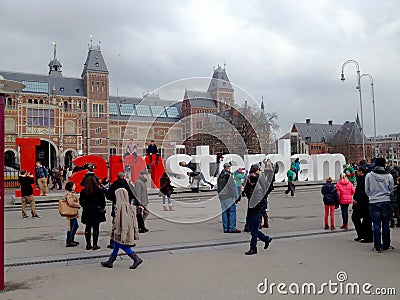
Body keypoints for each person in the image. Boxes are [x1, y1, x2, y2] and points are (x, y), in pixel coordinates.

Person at [101, 188, 143, 269]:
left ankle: (136, 258)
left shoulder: (121, 206)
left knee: (122, 244)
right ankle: (110, 261)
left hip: (121, 228)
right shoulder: (127, 204)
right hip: (123, 227)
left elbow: (121, 220)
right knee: (116, 243)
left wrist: (118, 229)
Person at [365, 157, 394, 252]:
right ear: (384, 164)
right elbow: (391, 189)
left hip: (373, 201)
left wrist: (372, 196)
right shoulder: (389, 176)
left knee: (376, 225)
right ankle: (386, 244)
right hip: (385, 201)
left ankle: (377, 245)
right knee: (386, 224)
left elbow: (367, 190)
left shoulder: (369, 175)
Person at [243, 164, 272, 255]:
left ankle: (253, 248)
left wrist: (262, 196)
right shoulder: (250, 179)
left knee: (254, 230)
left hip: (258, 206)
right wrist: (250, 184)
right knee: (252, 229)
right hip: (251, 205)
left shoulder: (260, 179)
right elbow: (246, 191)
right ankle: (266, 239)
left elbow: (269, 188)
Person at [106, 172, 139, 249]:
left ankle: (113, 242)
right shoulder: (127, 185)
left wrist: (116, 199)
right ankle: (127, 241)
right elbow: (134, 194)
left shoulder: (114, 185)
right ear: (124, 177)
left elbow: (108, 196)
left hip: (116, 206)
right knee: (127, 224)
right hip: (126, 207)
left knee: (115, 224)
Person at [79, 176, 106, 250]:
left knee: (87, 227)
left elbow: (81, 201)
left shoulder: (84, 191)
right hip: (96, 210)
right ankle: (95, 244)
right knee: (96, 228)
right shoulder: (98, 190)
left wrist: (85, 206)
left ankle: (88, 244)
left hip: (87, 210)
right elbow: (102, 201)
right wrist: (101, 207)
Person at [217, 163, 240, 233]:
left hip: (222, 196)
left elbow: (218, 188)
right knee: (232, 212)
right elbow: (234, 187)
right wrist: (237, 197)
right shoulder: (229, 176)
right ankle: (232, 228)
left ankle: (225, 228)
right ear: (229, 167)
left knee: (224, 212)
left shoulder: (220, 176)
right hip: (229, 196)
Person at [351, 167, 373, 242]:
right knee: (366, 219)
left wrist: (356, 199)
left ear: (361, 172)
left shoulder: (362, 179)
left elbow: (361, 191)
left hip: (361, 202)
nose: (357, 173)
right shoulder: (367, 178)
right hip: (366, 202)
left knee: (356, 218)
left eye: (358, 172)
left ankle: (363, 235)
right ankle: (364, 235)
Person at [64, 182, 81, 247]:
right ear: (70, 187)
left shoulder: (70, 194)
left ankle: (71, 239)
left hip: (73, 213)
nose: (75, 186)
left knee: (75, 226)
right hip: (71, 213)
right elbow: (71, 203)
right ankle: (69, 241)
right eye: (74, 185)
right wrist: (78, 205)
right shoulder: (69, 195)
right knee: (71, 227)